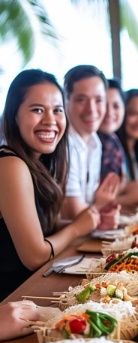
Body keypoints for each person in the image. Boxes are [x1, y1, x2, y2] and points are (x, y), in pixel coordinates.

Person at [0, 69, 100, 299]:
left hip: (31, 289)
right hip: (12, 302)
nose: (50, 120)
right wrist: (77, 227)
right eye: (37, 110)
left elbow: (41, 228)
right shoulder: (10, 165)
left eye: (57, 110)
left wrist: (90, 220)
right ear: (14, 115)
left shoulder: (37, 163)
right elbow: (34, 255)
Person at [62, 65, 120, 222]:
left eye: (98, 100)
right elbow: (75, 212)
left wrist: (103, 209)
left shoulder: (95, 141)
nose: (91, 109)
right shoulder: (63, 145)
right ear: (65, 101)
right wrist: (100, 207)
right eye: (81, 100)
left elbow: (88, 207)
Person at [98, 78, 126, 180]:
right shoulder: (94, 143)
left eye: (116, 106)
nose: (109, 112)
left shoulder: (113, 140)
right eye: (104, 105)